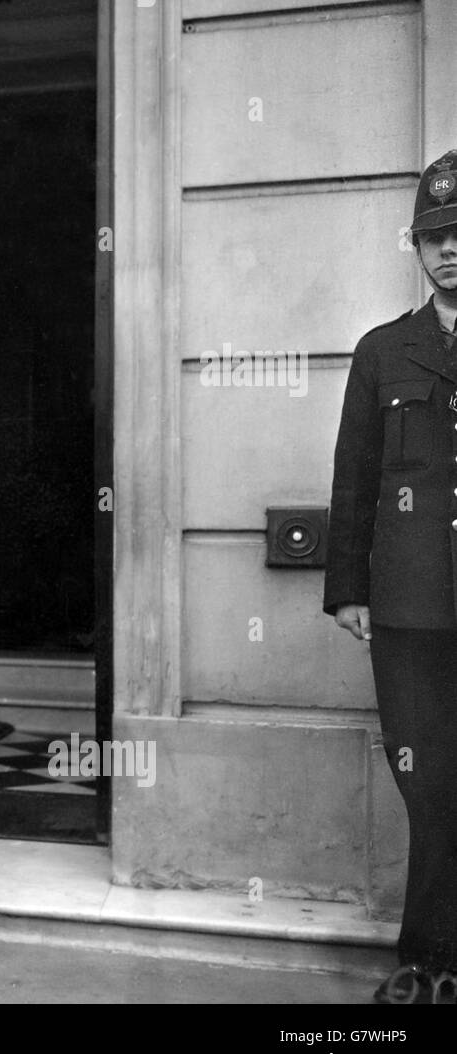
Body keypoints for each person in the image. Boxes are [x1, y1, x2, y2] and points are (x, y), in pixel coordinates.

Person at [325, 150, 457, 1003]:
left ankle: (426, 962)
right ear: (414, 246)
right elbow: (354, 476)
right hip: (410, 607)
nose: (450, 250)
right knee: (426, 779)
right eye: (435, 236)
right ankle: (433, 958)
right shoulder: (384, 351)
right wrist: (349, 588)